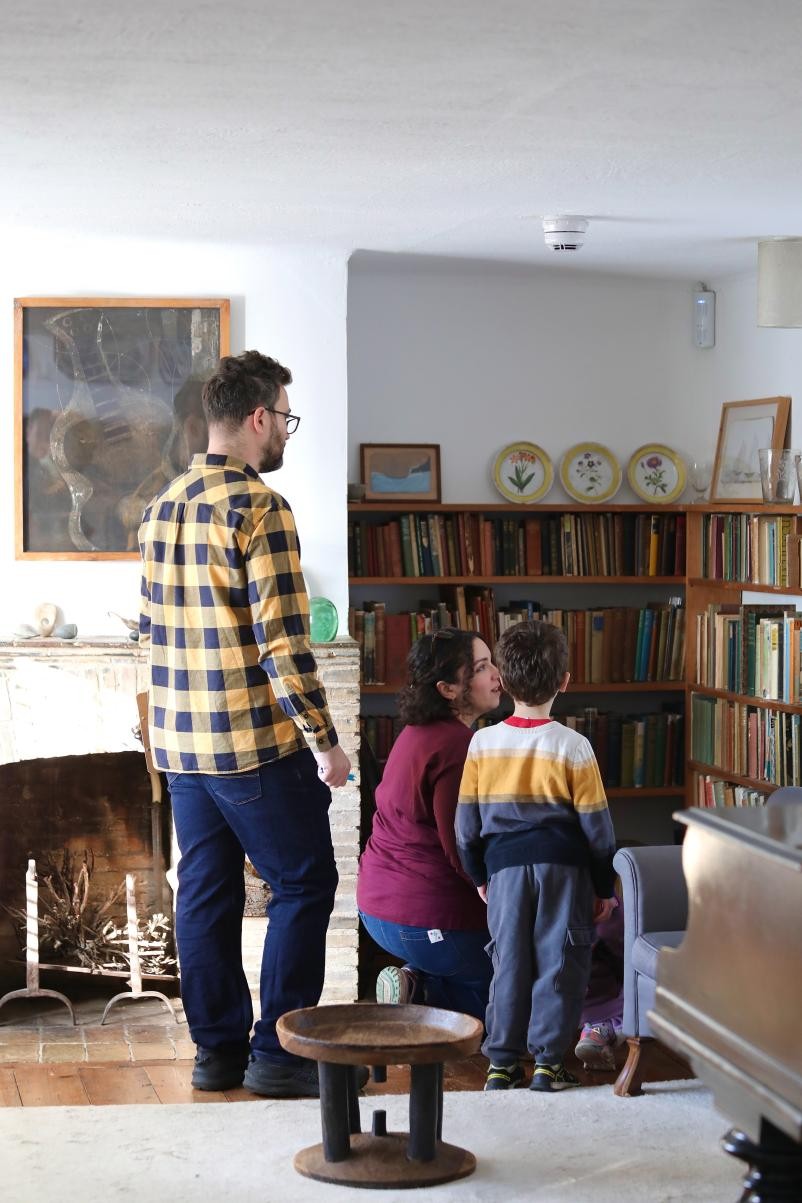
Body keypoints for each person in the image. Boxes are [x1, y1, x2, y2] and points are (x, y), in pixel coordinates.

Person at [138, 350, 352, 1098]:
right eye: (285, 417)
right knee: (305, 883)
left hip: (181, 748)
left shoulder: (161, 507)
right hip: (253, 747)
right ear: (259, 417)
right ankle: (280, 1054)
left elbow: (151, 631)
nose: (286, 431)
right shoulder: (261, 508)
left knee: (204, 893)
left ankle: (217, 1054)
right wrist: (326, 741)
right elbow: (283, 644)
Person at [456, 619, 617, 1093]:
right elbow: (598, 829)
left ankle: (502, 1062)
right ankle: (548, 1062)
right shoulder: (574, 747)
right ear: (564, 682)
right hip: (564, 872)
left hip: (503, 871)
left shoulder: (482, 743)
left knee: (508, 962)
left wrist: (478, 875)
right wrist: (603, 887)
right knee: (561, 960)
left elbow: (466, 825)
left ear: (503, 680)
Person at [357, 628, 502, 1019]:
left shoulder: (416, 732)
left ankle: (414, 977)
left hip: (376, 911)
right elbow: (462, 847)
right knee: (510, 988)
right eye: (481, 668)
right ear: (448, 689)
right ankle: (424, 988)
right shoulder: (457, 746)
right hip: (425, 920)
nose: (496, 676)